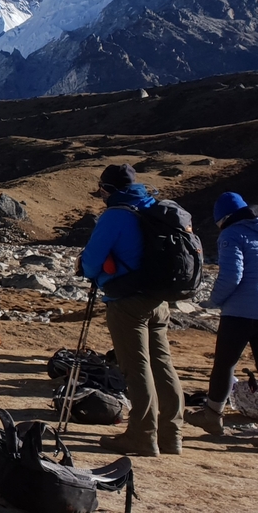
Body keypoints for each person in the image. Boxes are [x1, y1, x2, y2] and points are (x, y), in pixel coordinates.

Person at [80, 163, 184, 456]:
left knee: (136, 366)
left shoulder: (115, 215)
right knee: (162, 364)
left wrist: (85, 267)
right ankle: (171, 435)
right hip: (158, 299)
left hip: (127, 302)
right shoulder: (152, 207)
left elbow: (91, 262)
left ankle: (142, 435)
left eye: (102, 189)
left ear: (108, 189)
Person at [188, 192, 258, 436]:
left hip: (239, 312)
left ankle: (213, 414)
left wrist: (213, 301)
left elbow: (231, 276)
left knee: (225, 364)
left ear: (224, 218)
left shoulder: (231, 234)